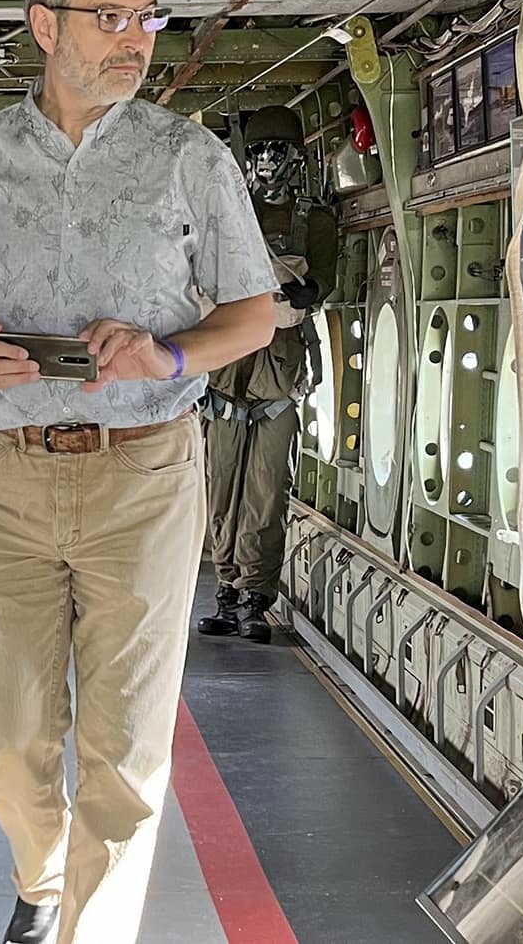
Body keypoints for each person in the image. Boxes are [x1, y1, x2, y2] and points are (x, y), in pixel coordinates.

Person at [0, 0, 276, 944]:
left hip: (143, 472)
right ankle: (41, 873)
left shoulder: (186, 158)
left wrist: (164, 355)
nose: (134, 37)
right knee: (7, 735)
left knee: (126, 750)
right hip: (5, 474)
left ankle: (89, 929)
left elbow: (252, 311)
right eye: (108, 14)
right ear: (41, 25)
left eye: (146, 17)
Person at [198, 105, 324, 645]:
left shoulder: (313, 222)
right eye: (259, 152)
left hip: (277, 374)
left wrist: (309, 294)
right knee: (221, 488)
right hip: (227, 376)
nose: (267, 162)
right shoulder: (229, 216)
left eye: (277, 152)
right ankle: (226, 591)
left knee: (266, 493)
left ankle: (256, 595)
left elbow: (325, 283)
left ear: (295, 159)